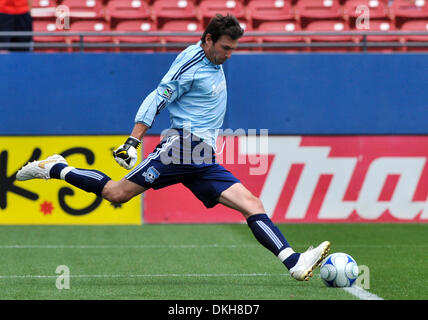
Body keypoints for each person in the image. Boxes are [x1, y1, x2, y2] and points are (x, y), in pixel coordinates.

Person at [16, 14, 330, 281]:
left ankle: (293, 261)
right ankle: (56, 167)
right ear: (208, 40)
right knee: (116, 193)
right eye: (225, 48)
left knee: (251, 202)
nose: (230, 54)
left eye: (233, 49)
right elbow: (158, 97)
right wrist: (133, 140)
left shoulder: (214, 61)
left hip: (203, 156)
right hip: (183, 147)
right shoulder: (190, 63)